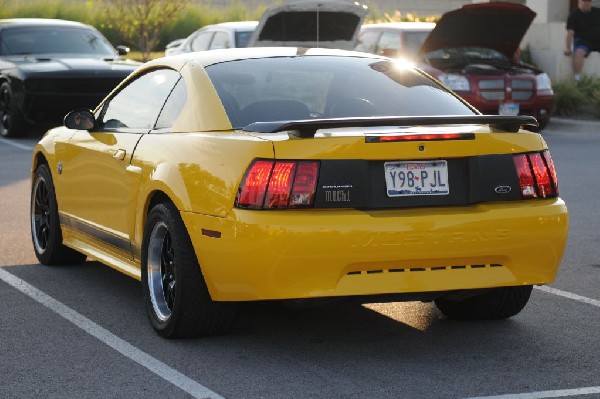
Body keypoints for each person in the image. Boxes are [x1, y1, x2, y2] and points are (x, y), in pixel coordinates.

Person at [564, 0, 600, 81]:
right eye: (584, 1)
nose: (586, 3)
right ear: (579, 2)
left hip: (598, 39)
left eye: (588, 1)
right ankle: (577, 78)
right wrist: (568, 48)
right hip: (583, 40)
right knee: (579, 52)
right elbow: (570, 33)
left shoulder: (598, 12)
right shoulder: (573, 15)